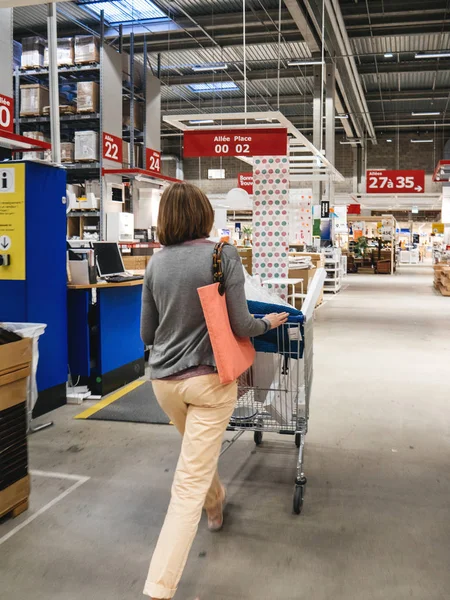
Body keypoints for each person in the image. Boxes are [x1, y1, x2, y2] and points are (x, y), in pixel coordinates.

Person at [140, 182, 289, 600]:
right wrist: (269, 324)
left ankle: (216, 503)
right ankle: (159, 587)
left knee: (194, 454)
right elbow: (242, 325)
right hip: (209, 382)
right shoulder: (222, 255)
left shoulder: (155, 264)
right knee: (188, 481)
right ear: (205, 214)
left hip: (164, 384)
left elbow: (147, 333)